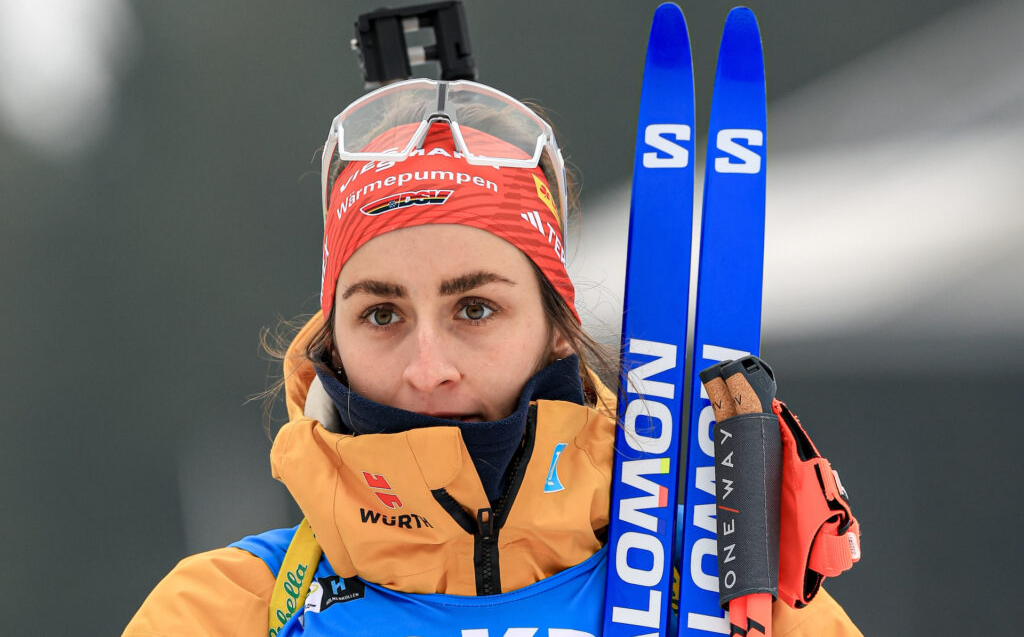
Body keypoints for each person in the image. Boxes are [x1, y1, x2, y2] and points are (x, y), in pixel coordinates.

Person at [124, 78, 860, 636]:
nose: (428, 366)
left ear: (558, 329)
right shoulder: (227, 610)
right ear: (332, 343)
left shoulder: (727, 601)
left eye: (475, 309)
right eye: (381, 314)